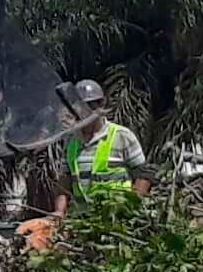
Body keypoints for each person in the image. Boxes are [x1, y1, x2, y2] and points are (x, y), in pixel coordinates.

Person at [51, 80, 153, 216]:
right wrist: (59, 211)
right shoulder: (71, 141)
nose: (86, 111)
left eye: (91, 106)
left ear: (101, 105)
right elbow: (65, 180)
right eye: (81, 107)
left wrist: (132, 208)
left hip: (117, 216)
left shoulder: (122, 136)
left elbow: (143, 175)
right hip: (82, 218)